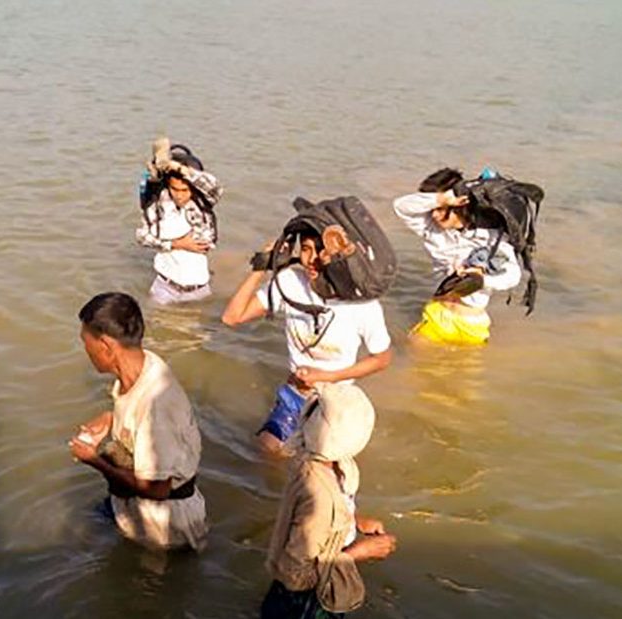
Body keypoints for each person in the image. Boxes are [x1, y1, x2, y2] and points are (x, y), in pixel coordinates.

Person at [221, 229, 392, 456]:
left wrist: (325, 377)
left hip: (335, 402)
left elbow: (382, 358)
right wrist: (261, 266)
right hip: (297, 393)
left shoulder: (361, 304)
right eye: (305, 249)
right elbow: (232, 317)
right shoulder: (290, 283)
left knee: (321, 468)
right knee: (267, 450)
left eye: (320, 251)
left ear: (337, 253)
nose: (311, 260)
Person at [68, 292, 208, 550]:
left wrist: (94, 460)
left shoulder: (158, 407)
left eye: (86, 342)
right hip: (134, 507)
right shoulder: (141, 364)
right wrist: (110, 418)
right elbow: (135, 409)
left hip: (166, 527)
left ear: (106, 346)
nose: (85, 350)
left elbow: (157, 489)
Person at [261, 382, 397, 619]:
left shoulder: (314, 460)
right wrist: (357, 553)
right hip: (304, 602)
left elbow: (323, 518)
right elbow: (297, 574)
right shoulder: (319, 497)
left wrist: (353, 521)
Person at [393, 168, 523, 345]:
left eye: (440, 209)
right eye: (432, 208)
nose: (434, 214)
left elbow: (513, 275)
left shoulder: (490, 236)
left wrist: (480, 279)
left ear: (460, 205)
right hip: (437, 314)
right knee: (415, 366)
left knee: (465, 370)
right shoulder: (430, 228)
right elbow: (400, 206)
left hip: (471, 323)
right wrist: (442, 199)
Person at [135, 137, 223, 305]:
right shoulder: (159, 206)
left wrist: (177, 167)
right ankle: (157, 171)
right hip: (164, 287)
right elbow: (141, 236)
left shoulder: (202, 205)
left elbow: (214, 187)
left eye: (185, 190)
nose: (180, 195)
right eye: (175, 189)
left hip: (198, 290)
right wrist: (177, 244)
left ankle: (163, 166)